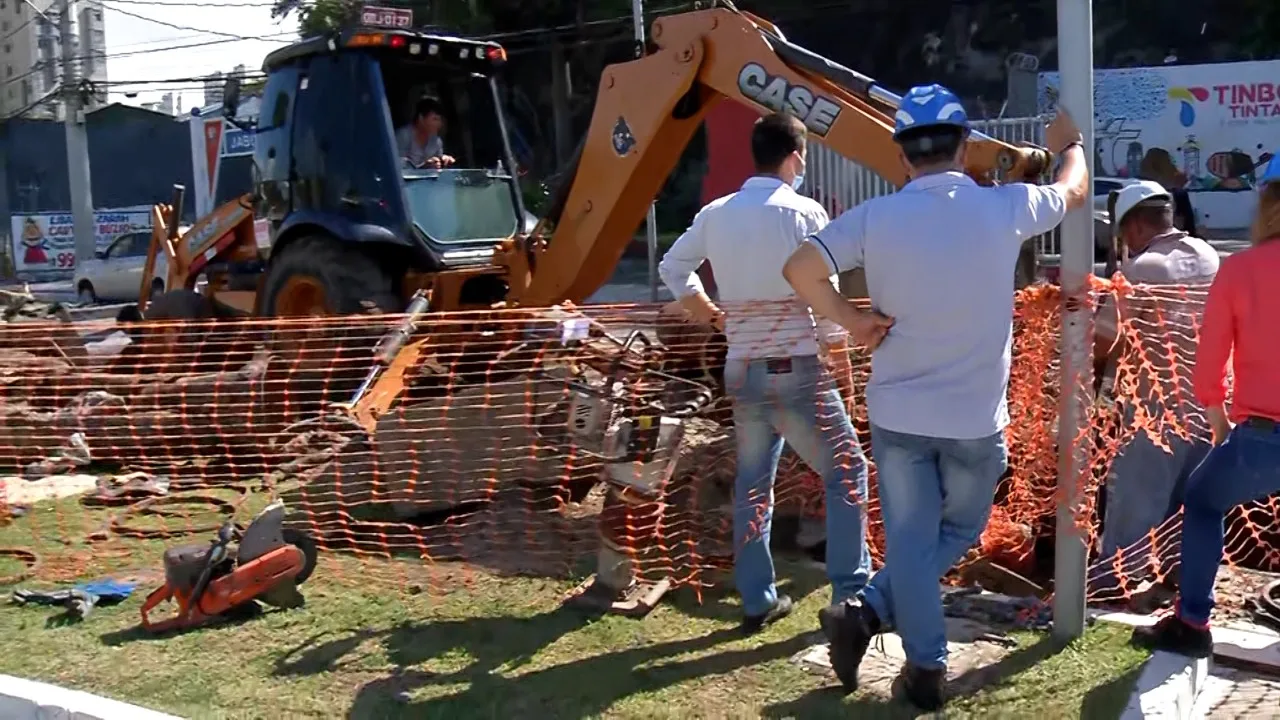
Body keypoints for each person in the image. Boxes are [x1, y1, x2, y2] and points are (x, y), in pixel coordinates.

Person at [782, 84, 1089, 711]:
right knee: (960, 530)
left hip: (897, 414)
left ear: (901, 157)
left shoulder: (875, 218)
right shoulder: (1005, 207)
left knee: (915, 543)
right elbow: (1074, 189)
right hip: (975, 420)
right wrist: (1071, 146)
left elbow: (800, 270)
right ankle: (907, 653)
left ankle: (888, 630)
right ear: (966, 147)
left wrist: (854, 321)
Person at [657, 112, 876, 635]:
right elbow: (826, 303)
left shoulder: (716, 213)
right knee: (849, 472)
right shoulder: (804, 213)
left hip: (743, 370)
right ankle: (852, 598)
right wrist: (842, 366)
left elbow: (672, 267)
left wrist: (711, 314)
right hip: (797, 370)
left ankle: (758, 599)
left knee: (753, 485)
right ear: (795, 156)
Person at [1130, 157, 1280, 657]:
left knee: (1202, 500)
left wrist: (1218, 420)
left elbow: (1211, 358)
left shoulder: (1240, 269)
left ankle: (1192, 623)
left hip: (1261, 435)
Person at [1091, 180, 1219, 598]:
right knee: (1188, 503)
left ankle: (1113, 587)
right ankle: (1178, 580)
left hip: (1155, 409)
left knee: (1134, 501)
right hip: (1206, 403)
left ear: (1133, 227)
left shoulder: (1143, 269)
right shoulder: (1207, 255)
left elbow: (1104, 337)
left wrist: (1094, 379)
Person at [396, 96, 455, 169]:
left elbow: (438, 166)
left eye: (440, 120)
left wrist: (443, 160)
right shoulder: (403, 136)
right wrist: (423, 167)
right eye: (435, 119)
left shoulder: (436, 141)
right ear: (421, 118)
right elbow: (397, 167)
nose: (439, 124)